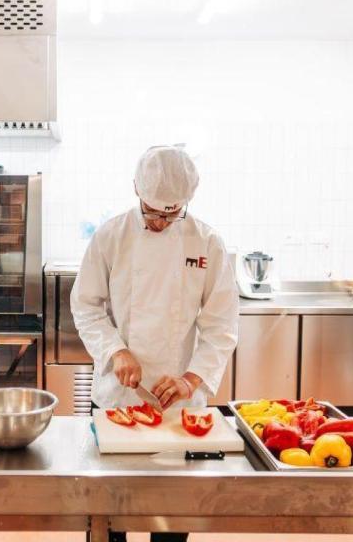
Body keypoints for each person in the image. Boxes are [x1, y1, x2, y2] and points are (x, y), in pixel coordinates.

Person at [70, 145, 239, 542]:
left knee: (171, 517)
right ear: (135, 190)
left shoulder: (207, 243)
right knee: (108, 515)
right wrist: (116, 350)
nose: (161, 221)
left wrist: (193, 378)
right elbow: (85, 305)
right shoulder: (111, 236)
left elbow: (221, 324)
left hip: (178, 403)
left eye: (171, 212)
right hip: (117, 396)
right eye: (152, 211)